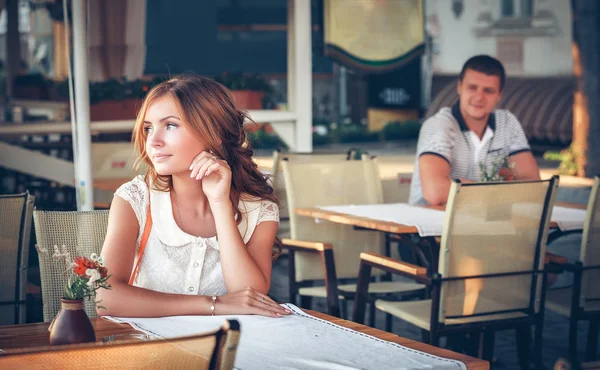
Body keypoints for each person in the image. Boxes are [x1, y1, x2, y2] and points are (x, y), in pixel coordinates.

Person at [97, 75, 291, 318]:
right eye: (148, 128)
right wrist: (214, 304)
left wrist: (220, 203)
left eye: (170, 125)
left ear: (214, 131)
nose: (154, 141)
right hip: (145, 346)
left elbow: (249, 296)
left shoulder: (258, 209)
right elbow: (105, 296)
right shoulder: (134, 199)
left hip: (226, 347)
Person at [409, 55, 541, 206]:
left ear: (499, 95)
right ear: (459, 87)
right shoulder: (439, 125)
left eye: (488, 91)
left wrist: (462, 187)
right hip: (430, 224)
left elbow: (533, 186)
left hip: (481, 222)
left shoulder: (507, 123)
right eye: (472, 88)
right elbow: (435, 192)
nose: (479, 97)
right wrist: (498, 190)